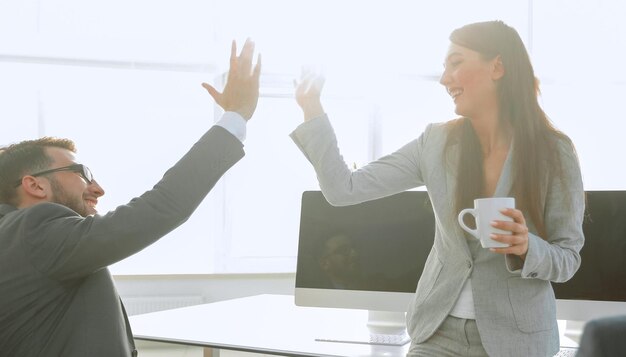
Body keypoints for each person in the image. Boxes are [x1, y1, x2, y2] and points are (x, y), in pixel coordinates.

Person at [291, 20, 584, 357]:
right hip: (437, 333)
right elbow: (343, 189)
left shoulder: (554, 153)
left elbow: (568, 258)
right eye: (444, 68)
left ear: (497, 66)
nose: (445, 79)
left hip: (516, 342)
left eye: (456, 63)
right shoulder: (436, 142)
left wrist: (526, 247)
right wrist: (311, 106)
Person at [0, 39, 261, 357]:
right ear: (35, 186)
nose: (98, 188)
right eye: (83, 172)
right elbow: (162, 206)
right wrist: (235, 118)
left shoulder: (19, 241)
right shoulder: (34, 229)